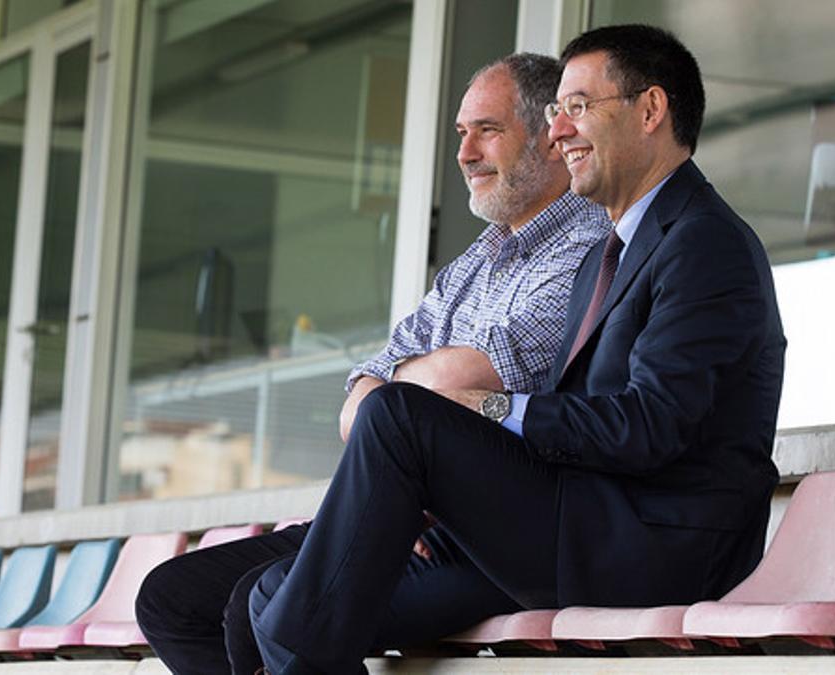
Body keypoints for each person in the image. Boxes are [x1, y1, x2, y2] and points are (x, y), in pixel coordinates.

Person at [243, 24, 786, 675]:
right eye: (558, 111)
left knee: (396, 416)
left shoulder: (704, 242)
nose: (559, 131)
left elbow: (652, 423)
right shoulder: (609, 255)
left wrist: (495, 408)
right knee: (275, 598)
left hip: (653, 543)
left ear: (650, 111)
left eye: (579, 106)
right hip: (575, 522)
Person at [135, 52, 609, 675]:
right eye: (461, 134)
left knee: (265, 606)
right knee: (171, 600)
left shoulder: (586, 244)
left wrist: (396, 403)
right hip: (397, 508)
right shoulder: (474, 264)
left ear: (551, 140)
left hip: (487, 532)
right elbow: (365, 391)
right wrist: (396, 423)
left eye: (487, 131)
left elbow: (466, 382)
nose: (465, 153)